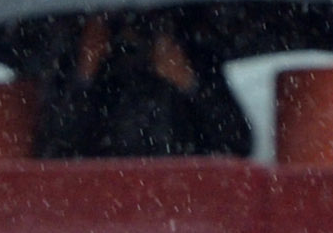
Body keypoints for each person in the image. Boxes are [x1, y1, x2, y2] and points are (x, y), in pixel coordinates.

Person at [31, 12, 251, 158]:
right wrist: (85, 74)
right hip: (101, 199)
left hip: (181, 195)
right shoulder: (77, 61)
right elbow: (53, 148)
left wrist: (189, 83)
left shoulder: (193, 57)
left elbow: (237, 142)